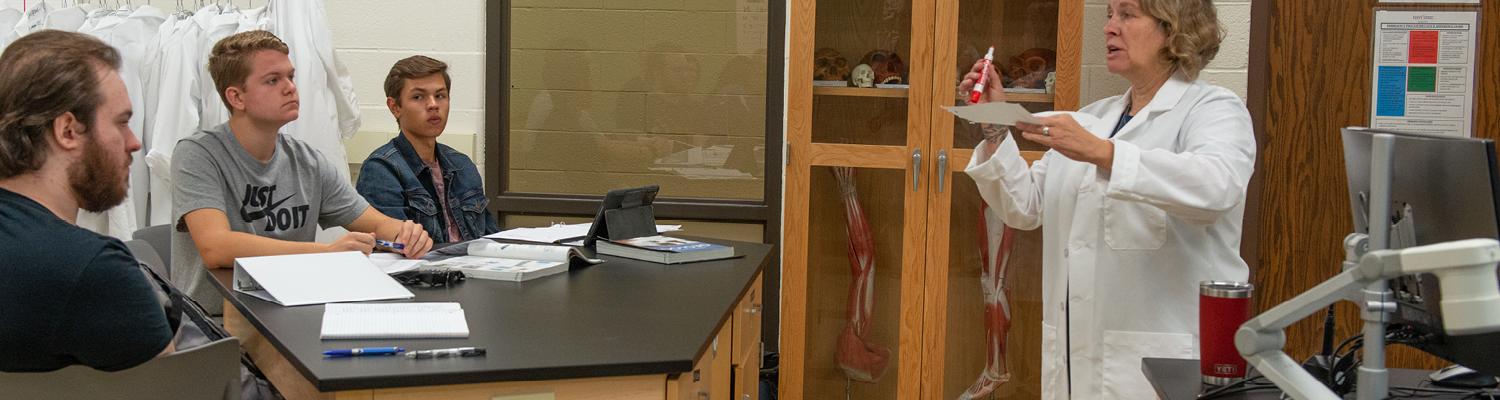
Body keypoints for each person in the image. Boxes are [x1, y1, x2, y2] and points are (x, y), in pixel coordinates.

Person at [957, 0, 1255, 398]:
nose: (1109, 27)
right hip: (1075, 371)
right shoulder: (1092, 120)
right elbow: (1023, 207)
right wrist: (994, 125)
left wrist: (1105, 154)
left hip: (1158, 373)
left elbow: (1217, 187)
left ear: (1174, 29)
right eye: (1109, 14)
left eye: (1127, 15)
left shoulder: (1213, 110)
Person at [171, 31, 433, 314]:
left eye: (290, 77)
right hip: (216, 321)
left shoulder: (307, 160)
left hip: (288, 312)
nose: (290, 88)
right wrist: (327, 254)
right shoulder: (197, 153)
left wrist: (406, 234)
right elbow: (216, 247)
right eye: (273, 80)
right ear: (236, 97)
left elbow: (375, 223)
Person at [0, 30, 174, 372]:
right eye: (121, 123)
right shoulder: (94, 270)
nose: (135, 142)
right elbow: (174, 388)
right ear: (68, 130)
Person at [356, 55, 498, 243]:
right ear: (395, 107)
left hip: (474, 268)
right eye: (418, 97)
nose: (433, 105)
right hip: (419, 271)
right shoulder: (381, 169)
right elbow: (393, 248)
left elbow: (491, 238)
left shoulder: (462, 165)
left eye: (440, 96)